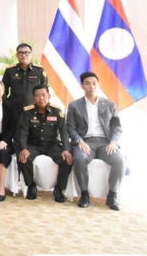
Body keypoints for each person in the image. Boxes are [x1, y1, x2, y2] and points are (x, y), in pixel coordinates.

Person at [66, 72, 124, 210]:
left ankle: (112, 195)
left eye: (94, 83)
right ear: (82, 86)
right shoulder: (74, 105)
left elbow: (117, 128)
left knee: (119, 159)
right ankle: (84, 194)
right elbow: (70, 128)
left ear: (98, 84)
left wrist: (114, 142)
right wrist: (79, 141)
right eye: (87, 83)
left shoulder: (109, 104)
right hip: (85, 142)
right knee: (80, 158)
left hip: (105, 143)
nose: (91, 86)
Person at [18, 85, 72, 202]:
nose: (41, 98)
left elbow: (64, 132)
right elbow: (23, 133)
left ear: (49, 96)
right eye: (37, 95)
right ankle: (31, 186)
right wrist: (24, 148)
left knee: (67, 160)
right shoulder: (27, 112)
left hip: (52, 145)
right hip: (34, 144)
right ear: (33, 97)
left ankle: (59, 189)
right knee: (23, 158)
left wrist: (66, 149)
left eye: (44, 95)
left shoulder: (57, 111)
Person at [2, 43, 48, 115]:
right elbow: (3, 90)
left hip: (34, 110)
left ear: (31, 55)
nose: (23, 55)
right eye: (20, 53)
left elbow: (45, 90)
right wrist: (7, 104)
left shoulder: (39, 70)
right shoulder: (10, 71)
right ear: (17, 55)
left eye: (27, 53)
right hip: (14, 111)